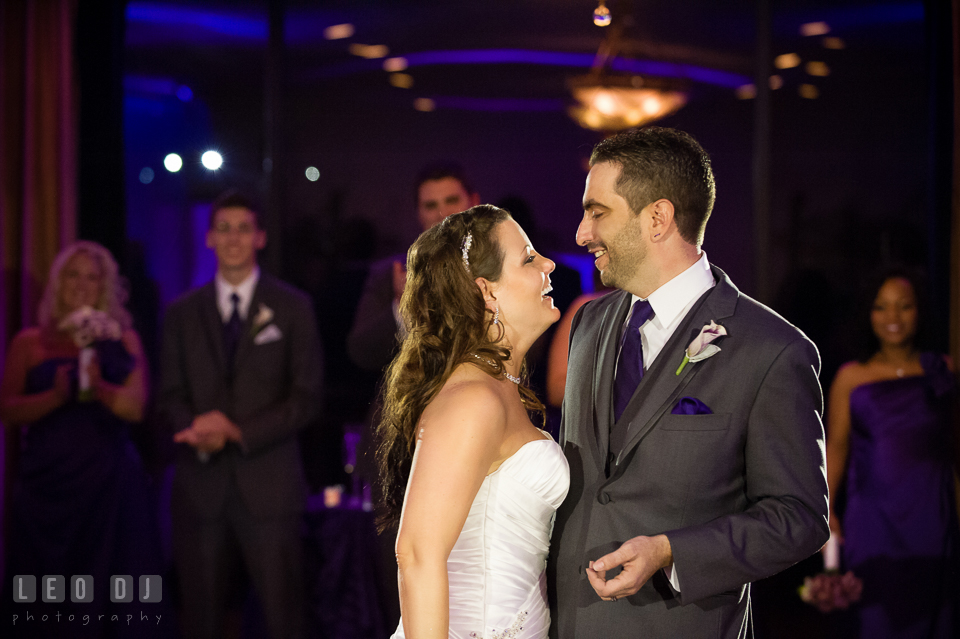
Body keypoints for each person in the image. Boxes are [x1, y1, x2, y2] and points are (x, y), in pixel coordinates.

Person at [548, 126, 830, 639]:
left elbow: (799, 517)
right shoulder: (587, 326)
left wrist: (671, 551)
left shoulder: (772, 351)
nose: (581, 234)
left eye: (598, 212)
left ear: (657, 218)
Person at [376, 205, 569, 639]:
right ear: (487, 291)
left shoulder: (499, 387)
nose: (549, 263)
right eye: (529, 258)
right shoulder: (474, 399)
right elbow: (417, 552)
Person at [159, 190, 323, 639]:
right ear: (209, 237)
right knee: (201, 621)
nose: (234, 238)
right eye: (224, 228)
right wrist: (194, 429)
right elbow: (169, 394)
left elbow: (307, 397)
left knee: (284, 619)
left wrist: (238, 432)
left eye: (244, 228)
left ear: (261, 237)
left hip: (270, 489)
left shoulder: (293, 308)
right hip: (200, 490)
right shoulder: (180, 313)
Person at [1, 241, 164, 637]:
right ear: (58, 282)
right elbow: (8, 410)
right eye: (73, 275)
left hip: (108, 491)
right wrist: (55, 397)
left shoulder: (123, 340)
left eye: (92, 277)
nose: (81, 284)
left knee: (112, 602)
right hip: (47, 493)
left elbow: (136, 408)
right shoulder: (29, 342)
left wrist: (99, 387)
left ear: (105, 287)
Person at [825, 267, 958, 638]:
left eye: (904, 306)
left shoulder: (943, 370)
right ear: (868, 314)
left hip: (932, 518)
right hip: (874, 523)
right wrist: (828, 510)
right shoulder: (852, 376)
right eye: (881, 307)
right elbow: (836, 445)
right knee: (876, 620)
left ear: (920, 311)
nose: (893, 318)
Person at [347, 161, 481, 373]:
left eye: (452, 200)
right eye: (430, 205)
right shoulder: (390, 273)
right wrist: (402, 309)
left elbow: (531, 351)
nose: (442, 214)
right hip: (411, 402)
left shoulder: (502, 268)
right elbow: (361, 353)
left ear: (474, 204)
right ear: (418, 213)